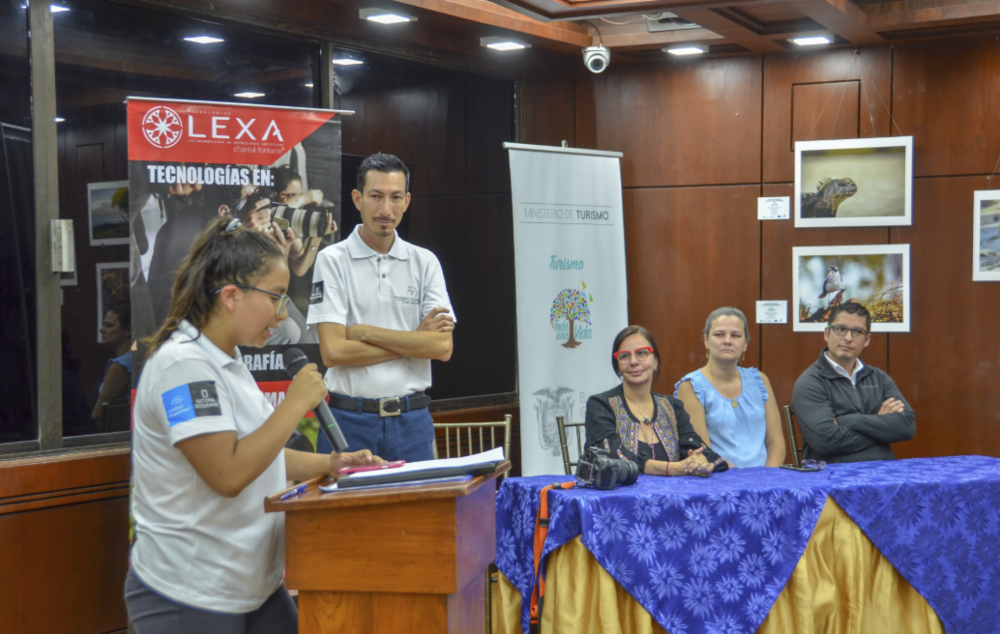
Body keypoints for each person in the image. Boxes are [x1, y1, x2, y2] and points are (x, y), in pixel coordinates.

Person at [126, 216, 380, 634]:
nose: (283, 314)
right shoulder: (183, 366)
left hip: (251, 585)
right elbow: (227, 473)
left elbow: (262, 454)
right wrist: (295, 404)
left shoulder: (229, 361)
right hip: (190, 590)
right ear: (231, 296)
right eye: (277, 296)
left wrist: (331, 465)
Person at [307, 153, 455, 461]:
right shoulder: (332, 260)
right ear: (357, 198)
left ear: (407, 201)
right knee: (345, 511)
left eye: (395, 197)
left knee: (418, 511)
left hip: (412, 421)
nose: (386, 209)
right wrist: (414, 341)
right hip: (349, 421)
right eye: (376, 197)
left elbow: (441, 347)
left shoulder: (425, 262)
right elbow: (333, 353)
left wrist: (364, 332)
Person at [585, 325, 728, 477]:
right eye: (624, 356)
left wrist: (699, 459)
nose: (633, 361)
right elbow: (610, 457)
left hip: (672, 498)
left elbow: (706, 454)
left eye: (641, 353)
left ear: (655, 361)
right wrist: (673, 468)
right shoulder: (601, 405)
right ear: (618, 366)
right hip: (620, 499)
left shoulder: (672, 407)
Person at [790, 302, 916, 463]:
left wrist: (847, 421)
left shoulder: (879, 378)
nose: (848, 338)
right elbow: (825, 442)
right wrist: (881, 428)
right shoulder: (810, 382)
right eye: (840, 329)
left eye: (857, 332)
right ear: (827, 334)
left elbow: (906, 427)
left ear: (867, 339)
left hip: (883, 476)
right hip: (831, 479)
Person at [675, 307, 785, 468]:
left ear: (745, 343)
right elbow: (704, 452)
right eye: (719, 334)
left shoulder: (760, 380)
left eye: (735, 335)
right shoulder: (690, 386)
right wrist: (742, 482)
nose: (727, 340)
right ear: (706, 340)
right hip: (719, 480)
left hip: (765, 480)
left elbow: (777, 443)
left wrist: (766, 480)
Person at [92, 303, 133, 424]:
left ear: (128, 331)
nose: (102, 329)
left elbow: (99, 414)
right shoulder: (135, 357)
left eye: (108, 325)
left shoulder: (120, 366)